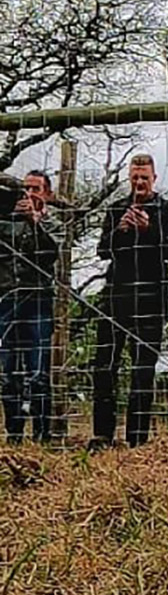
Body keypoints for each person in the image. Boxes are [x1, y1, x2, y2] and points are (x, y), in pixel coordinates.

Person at [91, 154, 168, 448]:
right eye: (135, 178)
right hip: (116, 296)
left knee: (143, 369)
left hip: (152, 298)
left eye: (144, 177)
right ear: (129, 179)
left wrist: (147, 229)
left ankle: (137, 439)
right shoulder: (116, 209)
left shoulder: (166, 209)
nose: (139, 183)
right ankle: (103, 434)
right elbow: (102, 250)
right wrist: (122, 230)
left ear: (154, 178)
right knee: (104, 365)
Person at [0, 171, 59, 442]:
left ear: (46, 193)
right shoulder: (6, 222)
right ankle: (14, 433)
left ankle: (43, 432)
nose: (29, 194)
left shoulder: (55, 222)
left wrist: (35, 224)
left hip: (38, 303)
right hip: (7, 302)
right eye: (25, 188)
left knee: (38, 372)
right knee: (8, 371)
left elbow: (50, 256)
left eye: (36, 189)